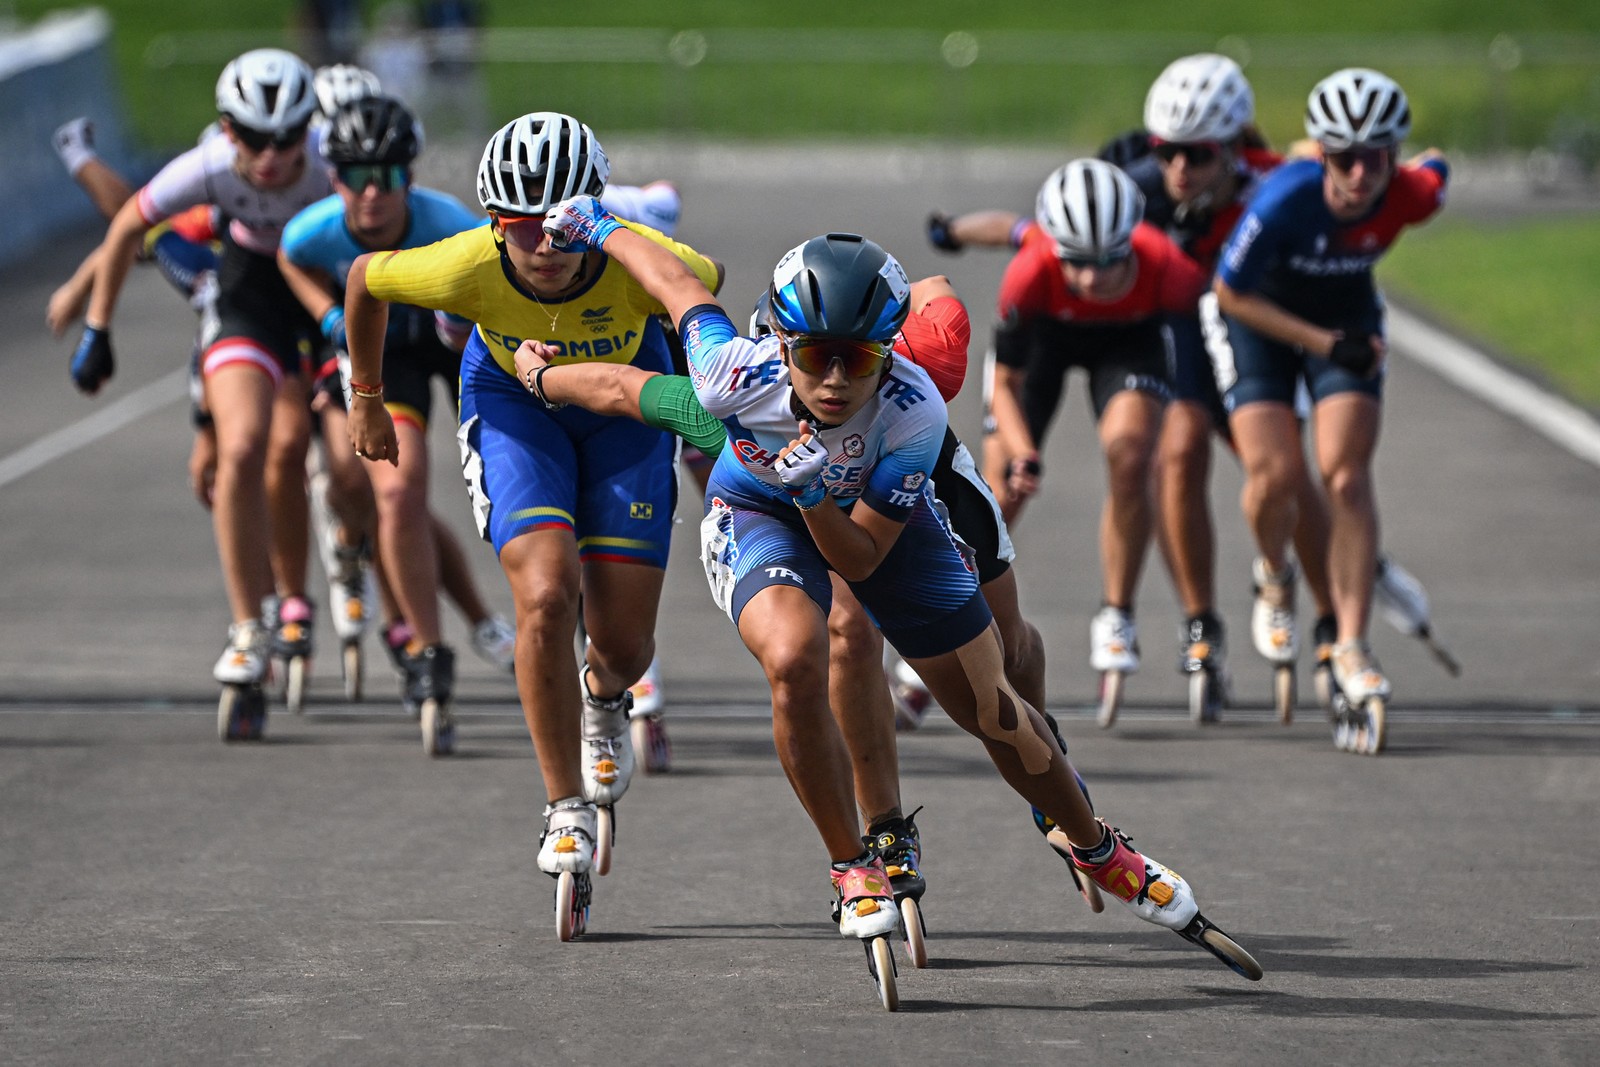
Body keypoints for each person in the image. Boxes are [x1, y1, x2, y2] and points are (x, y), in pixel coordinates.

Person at [539, 201, 1225, 962]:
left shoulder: (917, 401)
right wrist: (586, 257)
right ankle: (854, 862)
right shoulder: (732, 374)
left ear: (889, 353)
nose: (834, 380)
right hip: (760, 509)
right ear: (781, 341)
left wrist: (818, 491)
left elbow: (862, 558)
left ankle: (1097, 843)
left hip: (874, 517)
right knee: (802, 654)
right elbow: (657, 324)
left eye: (859, 360)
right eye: (816, 357)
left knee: (997, 701)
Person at [343, 113, 722, 855]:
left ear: (594, 216)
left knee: (624, 644)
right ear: (493, 221)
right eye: (519, 228)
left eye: (560, 227)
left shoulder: (629, 253)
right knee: (546, 593)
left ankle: (604, 697)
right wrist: (366, 395)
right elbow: (365, 278)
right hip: (518, 407)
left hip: (619, 406)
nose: (543, 247)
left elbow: (703, 281)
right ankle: (562, 804)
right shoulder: (463, 264)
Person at [69, 48, 330, 700]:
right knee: (240, 446)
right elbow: (131, 222)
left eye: (287, 138)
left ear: (310, 130)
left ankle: (296, 594)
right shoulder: (210, 166)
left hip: (315, 301)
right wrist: (98, 326)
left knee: (294, 449)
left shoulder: (332, 165)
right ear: (226, 129)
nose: (270, 157)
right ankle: (249, 623)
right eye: (252, 138)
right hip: (245, 299)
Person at [1210, 68, 1448, 721]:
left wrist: (1336, 342)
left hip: (1347, 321)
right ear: (1321, 154)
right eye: (1342, 157)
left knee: (1345, 479)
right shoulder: (1285, 198)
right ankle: (1273, 572)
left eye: (1375, 158)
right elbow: (1230, 292)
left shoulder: (1411, 192)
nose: (1359, 174)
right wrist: (1319, 342)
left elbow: (1438, 171)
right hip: (1263, 320)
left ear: (1392, 156)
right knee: (1275, 474)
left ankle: (1350, 643)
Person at [279, 94, 497, 739]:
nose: (372, 194)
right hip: (384, 358)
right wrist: (327, 315)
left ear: (413, 176)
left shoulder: (450, 222)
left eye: (390, 176)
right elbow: (290, 258)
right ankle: (430, 652)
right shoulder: (313, 231)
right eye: (355, 178)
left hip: (458, 345)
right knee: (398, 491)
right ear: (333, 180)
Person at [987, 159, 1208, 705]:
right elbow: (1004, 386)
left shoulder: (1169, 267)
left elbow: (1214, 365)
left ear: (1132, 240)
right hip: (1046, 343)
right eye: (1077, 262)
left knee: (1131, 457)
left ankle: (1117, 613)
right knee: (992, 500)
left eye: (1110, 259)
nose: (1091, 277)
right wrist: (1023, 454)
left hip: (1129, 344)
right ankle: (944, 622)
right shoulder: (1031, 270)